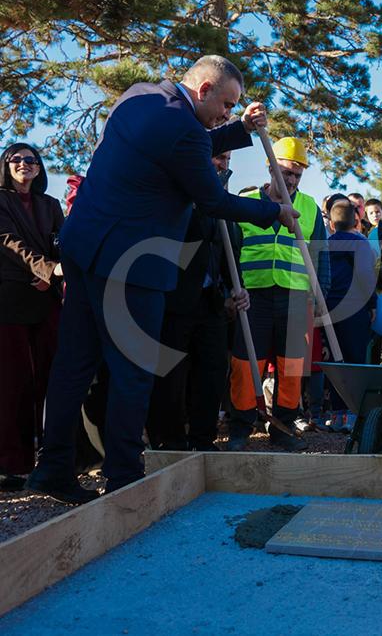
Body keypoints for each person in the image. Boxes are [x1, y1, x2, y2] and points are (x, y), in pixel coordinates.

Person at [27, 55, 298, 504]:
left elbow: (185, 144)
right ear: (205, 88)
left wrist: (241, 132)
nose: (228, 113)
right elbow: (212, 201)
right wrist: (274, 212)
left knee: (73, 366)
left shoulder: (140, 95)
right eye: (227, 104)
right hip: (131, 264)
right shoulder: (185, 132)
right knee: (135, 371)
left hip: (84, 248)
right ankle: (124, 478)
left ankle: (53, 467)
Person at [227, 136, 328, 452]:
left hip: (295, 297)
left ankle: (283, 427)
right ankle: (241, 427)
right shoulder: (246, 201)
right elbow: (229, 249)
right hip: (252, 296)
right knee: (246, 364)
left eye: (297, 174)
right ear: (271, 167)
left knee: (291, 366)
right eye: (286, 172)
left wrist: (319, 298)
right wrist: (231, 289)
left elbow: (319, 255)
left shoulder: (309, 207)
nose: (291, 179)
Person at [145, 151, 249, 452]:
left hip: (211, 302)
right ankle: (170, 441)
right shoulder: (179, 194)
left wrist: (235, 288)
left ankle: (203, 439)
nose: (222, 163)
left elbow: (229, 253)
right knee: (171, 375)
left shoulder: (223, 203)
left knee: (213, 371)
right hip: (174, 300)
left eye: (227, 159)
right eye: (217, 157)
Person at [0, 144, 64, 491]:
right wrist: (47, 269)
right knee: (13, 383)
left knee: (54, 379)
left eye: (31, 160)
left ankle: (55, 458)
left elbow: (61, 241)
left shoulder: (50, 205)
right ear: (6, 166)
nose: (25, 164)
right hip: (9, 300)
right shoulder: (0, 200)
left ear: (39, 169)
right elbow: (8, 243)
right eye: (17, 159)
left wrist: (53, 273)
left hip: (48, 299)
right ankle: (13, 464)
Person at [326, 200, 376, 428]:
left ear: (332, 223)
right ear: (356, 220)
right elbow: (366, 276)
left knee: (336, 361)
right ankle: (355, 414)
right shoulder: (361, 243)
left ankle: (337, 414)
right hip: (355, 308)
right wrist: (372, 303)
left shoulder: (325, 244)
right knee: (356, 361)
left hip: (330, 308)